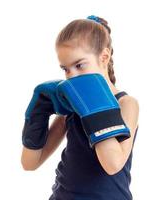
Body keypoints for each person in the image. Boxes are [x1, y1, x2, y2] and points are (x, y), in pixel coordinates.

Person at [21, 15, 140, 200]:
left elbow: (113, 164)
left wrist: (94, 104)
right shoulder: (71, 104)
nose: (72, 76)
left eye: (79, 65)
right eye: (66, 69)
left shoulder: (126, 104)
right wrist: (38, 114)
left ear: (104, 57)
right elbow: (30, 163)